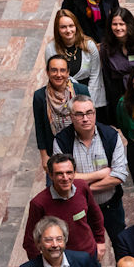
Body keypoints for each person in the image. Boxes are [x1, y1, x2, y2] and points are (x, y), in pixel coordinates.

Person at [51, 95, 127, 244]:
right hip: (80, 208)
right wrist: (100, 174)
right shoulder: (62, 141)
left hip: (111, 205)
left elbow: (119, 175)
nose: (85, 118)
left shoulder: (111, 136)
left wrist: (83, 186)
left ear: (95, 113)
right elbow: (62, 178)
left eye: (89, 113)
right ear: (71, 116)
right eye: (79, 114)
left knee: (122, 245)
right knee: (86, 250)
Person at [22, 154, 105, 261]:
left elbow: (95, 215)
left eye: (69, 172)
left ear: (74, 173)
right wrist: (39, 266)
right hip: (60, 262)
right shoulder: (39, 203)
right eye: (59, 174)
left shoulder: (82, 187)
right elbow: (30, 241)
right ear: (50, 175)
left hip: (89, 254)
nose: (65, 178)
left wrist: (100, 241)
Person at [45, 9, 105, 121]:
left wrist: (88, 99)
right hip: (64, 96)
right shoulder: (51, 49)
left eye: (71, 26)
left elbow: (96, 74)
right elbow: (55, 76)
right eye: (63, 27)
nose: (68, 30)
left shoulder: (89, 45)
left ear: (76, 26)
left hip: (91, 93)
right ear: (57, 29)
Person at [34, 55, 89, 169]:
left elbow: (91, 119)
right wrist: (44, 155)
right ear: (47, 72)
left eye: (62, 70)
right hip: (54, 149)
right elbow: (40, 127)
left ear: (68, 72)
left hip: (80, 146)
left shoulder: (81, 90)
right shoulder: (39, 96)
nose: (58, 75)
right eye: (54, 70)